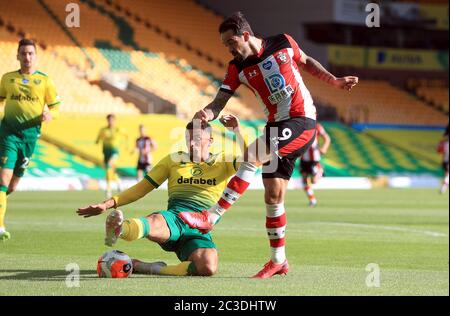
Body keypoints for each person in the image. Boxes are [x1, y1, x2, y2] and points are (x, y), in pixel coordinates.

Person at [180, 12, 358, 278]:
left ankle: (212, 217)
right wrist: (207, 113)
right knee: (273, 195)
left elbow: (307, 61)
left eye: (231, 43)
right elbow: (219, 102)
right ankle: (278, 261)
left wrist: (333, 80)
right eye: (225, 45)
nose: (229, 49)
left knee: (252, 154)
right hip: (276, 127)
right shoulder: (236, 68)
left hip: (302, 119)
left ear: (246, 36)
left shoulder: (283, 43)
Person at [77, 115, 246, 276]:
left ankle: (147, 267)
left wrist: (237, 131)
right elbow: (141, 188)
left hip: (200, 229)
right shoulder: (173, 160)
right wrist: (107, 204)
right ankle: (119, 229)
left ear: (210, 141)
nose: (192, 142)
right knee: (154, 222)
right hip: (174, 219)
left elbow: (251, 161)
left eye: (197, 138)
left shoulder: (223, 161)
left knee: (208, 267)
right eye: (189, 138)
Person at [0, 39, 60, 241]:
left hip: (30, 137)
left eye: (30, 53)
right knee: (3, 180)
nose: (27, 57)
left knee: (12, 186)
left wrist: (51, 115)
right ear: (17, 55)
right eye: (23, 53)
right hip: (8, 134)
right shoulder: (7, 79)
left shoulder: (45, 81)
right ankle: (0, 226)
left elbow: (56, 106)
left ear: (36, 56)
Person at [96, 114, 128, 198]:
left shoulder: (118, 129)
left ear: (114, 120)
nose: (110, 121)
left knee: (109, 165)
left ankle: (108, 190)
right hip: (106, 152)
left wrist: (125, 145)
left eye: (112, 120)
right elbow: (98, 138)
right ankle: (119, 183)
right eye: (109, 120)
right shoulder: (103, 130)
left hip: (115, 152)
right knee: (109, 170)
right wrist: (97, 141)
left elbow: (126, 135)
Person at [299, 122, 331, 206]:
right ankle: (312, 199)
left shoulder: (317, 126)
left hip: (314, 158)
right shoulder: (299, 125)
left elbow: (327, 138)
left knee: (314, 181)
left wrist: (324, 147)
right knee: (304, 180)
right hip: (303, 159)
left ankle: (320, 170)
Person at [437, 124, 449, 194]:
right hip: (446, 160)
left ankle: (444, 187)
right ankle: (444, 187)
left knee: (447, 174)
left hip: (445, 160)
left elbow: (439, 150)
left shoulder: (445, 142)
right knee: (447, 174)